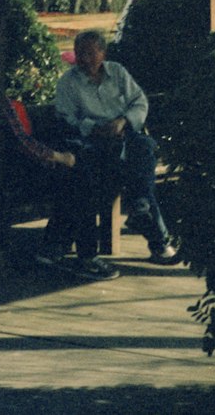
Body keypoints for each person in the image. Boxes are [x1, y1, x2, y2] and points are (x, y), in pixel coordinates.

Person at [54, 29, 181, 265]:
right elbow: (65, 117)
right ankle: (159, 240)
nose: (84, 59)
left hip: (124, 135)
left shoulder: (117, 72)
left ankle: (142, 208)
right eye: (80, 53)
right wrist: (93, 127)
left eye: (90, 53)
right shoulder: (69, 82)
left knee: (143, 147)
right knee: (131, 176)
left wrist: (123, 121)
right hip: (93, 143)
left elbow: (139, 101)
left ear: (103, 53)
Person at [2, 96, 118, 280]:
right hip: (19, 173)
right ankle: (85, 255)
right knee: (81, 184)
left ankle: (54, 246)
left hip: (28, 167)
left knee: (83, 179)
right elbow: (22, 141)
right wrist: (58, 156)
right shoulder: (0, 104)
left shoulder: (1, 102)